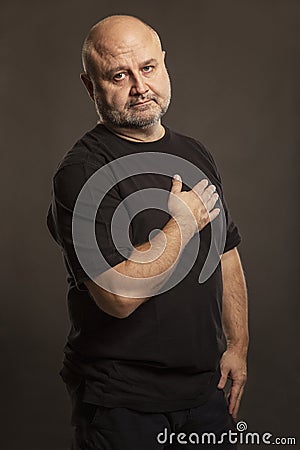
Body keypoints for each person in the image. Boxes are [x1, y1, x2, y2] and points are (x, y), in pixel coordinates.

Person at [47, 15, 248, 450]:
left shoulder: (195, 152)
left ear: (164, 63)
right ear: (90, 85)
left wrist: (237, 348)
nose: (140, 86)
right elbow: (117, 298)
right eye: (120, 75)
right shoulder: (82, 172)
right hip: (124, 405)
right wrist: (179, 224)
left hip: (205, 395)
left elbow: (225, 252)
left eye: (148, 67)